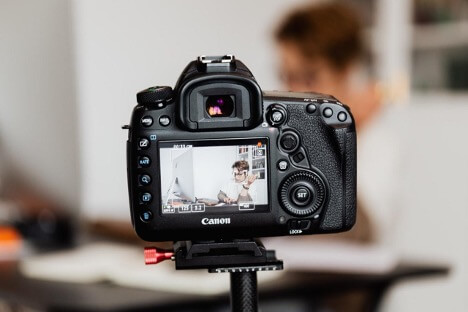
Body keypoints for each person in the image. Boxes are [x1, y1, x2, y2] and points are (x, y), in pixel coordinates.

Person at [275, 2, 402, 245]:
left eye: (309, 76)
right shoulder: (280, 135)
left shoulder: (379, 140)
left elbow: (361, 231)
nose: (294, 89)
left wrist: (325, 139)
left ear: (346, 69)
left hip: (348, 279)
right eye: (287, 75)